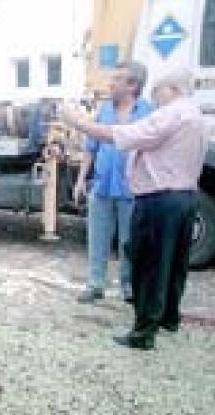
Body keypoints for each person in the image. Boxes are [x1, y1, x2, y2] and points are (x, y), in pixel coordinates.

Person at [62, 67, 209, 350]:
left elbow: (125, 135)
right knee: (173, 264)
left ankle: (143, 333)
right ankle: (168, 318)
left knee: (150, 265)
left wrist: (77, 122)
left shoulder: (171, 113)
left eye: (158, 91)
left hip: (159, 198)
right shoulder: (196, 115)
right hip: (184, 197)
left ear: (172, 89)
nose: (156, 96)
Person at [74, 62, 153, 304]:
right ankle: (95, 285)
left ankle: (128, 287)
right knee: (97, 239)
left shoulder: (148, 111)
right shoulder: (105, 110)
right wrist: (80, 179)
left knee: (129, 241)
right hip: (102, 186)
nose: (110, 84)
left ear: (133, 85)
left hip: (133, 189)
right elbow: (91, 146)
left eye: (117, 79)